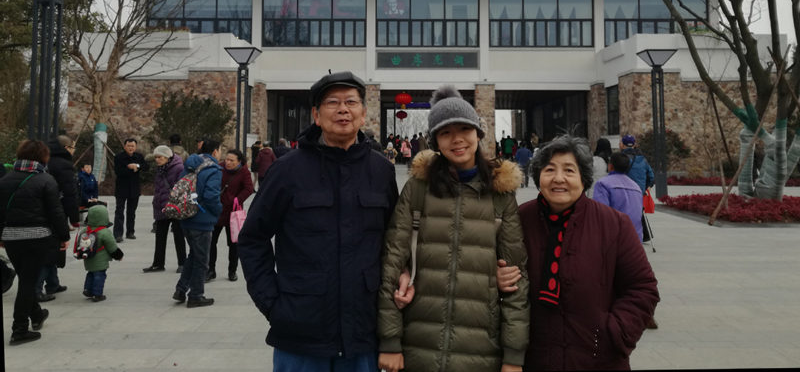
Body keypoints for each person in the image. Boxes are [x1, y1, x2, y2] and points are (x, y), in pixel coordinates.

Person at [238, 71, 398, 371]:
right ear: (316, 114)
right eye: (332, 102)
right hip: (300, 335)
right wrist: (272, 304)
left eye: (351, 101)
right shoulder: (287, 171)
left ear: (363, 114)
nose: (342, 109)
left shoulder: (381, 172)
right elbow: (252, 238)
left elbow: (395, 242)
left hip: (362, 334)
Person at [378, 86, 529, 372]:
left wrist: (513, 355)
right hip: (418, 344)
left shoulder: (500, 194)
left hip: (481, 349)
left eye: (464, 129)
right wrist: (389, 340)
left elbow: (516, 280)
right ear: (435, 140)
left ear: (478, 134)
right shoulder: (418, 189)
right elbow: (391, 263)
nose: (457, 139)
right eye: (445, 133)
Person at [499, 135, 659, 370]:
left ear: (583, 178)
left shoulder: (614, 224)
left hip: (598, 358)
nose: (559, 178)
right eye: (550, 169)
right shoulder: (519, 220)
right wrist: (496, 277)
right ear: (539, 176)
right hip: (533, 360)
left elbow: (643, 288)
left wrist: (613, 333)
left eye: (569, 170)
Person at [0, 140, 70, 345]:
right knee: (28, 282)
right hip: (37, 237)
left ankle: (37, 315)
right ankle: (19, 329)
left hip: (11, 238)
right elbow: (56, 212)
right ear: (42, 157)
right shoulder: (46, 180)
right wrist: (63, 237)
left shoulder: (5, 179)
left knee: (26, 278)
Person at [172, 140, 223, 308]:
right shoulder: (213, 170)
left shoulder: (190, 165)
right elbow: (211, 196)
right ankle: (196, 295)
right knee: (202, 260)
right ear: (215, 152)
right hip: (202, 218)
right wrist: (218, 211)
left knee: (194, 255)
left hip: (186, 216)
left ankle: (181, 289)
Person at [36, 135, 80, 302]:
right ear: (67, 148)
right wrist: (75, 217)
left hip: (42, 210)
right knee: (51, 250)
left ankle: (53, 283)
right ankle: (37, 288)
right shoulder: (64, 165)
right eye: (73, 148)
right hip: (56, 210)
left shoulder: (46, 160)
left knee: (53, 249)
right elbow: (70, 193)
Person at [207, 148, 254, 282]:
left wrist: (237, 199)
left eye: (231, 160)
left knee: (233, 244)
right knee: (211, 242)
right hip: (217, 210)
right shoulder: (219, 168)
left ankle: (232, 271)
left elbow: (248, 188)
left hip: (233, 213)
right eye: (226, 159)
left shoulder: (244, 171)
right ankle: (211, 270)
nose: (227, 162)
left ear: (239, 161)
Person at [143, 146, 186, 274]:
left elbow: (181, 187)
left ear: (167, 157)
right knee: (160, 236)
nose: (157, 159)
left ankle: (182, 263)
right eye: (156, 157)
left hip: (174, 206)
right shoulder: (160, 169)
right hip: (161, 206)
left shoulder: (179, 168)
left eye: (160, 157)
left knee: (179, 236)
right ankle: (158, 263)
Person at [593, 152, 644, 241]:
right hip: (636, 239)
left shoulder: (603, 184)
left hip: (613, 239)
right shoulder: (636, 187)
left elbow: (599, 215)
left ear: (610, 166)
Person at [80, 204, 124, 302]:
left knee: (90, 273)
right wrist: (119, 255)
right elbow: (112, 246)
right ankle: (97, 294)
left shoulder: (85, 230)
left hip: (88, 257)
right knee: (99, 275)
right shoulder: (104, 232)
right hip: (100, 260)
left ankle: (88, 289)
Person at [620, 133, 655, 243]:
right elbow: (651, 176)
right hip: (639, 192)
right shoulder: (643, 160)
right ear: (634, 145)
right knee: (638, 213)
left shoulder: (621, 159)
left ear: (623, 145)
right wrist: (645, 188)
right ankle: (643, 235)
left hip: (624, 191)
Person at [113, 138, 148, 241]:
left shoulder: (139, 156)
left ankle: (130, 232)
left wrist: (136, 165)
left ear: (135, 147)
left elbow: (146, 167)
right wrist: (131, 169)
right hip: (121, 188)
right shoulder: (119, 157)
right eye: (128, 146)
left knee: (131, 212)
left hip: (134, 189)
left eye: (132, 146)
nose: (130, 148)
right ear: (125, 146)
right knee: (119, 212)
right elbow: (118, 171)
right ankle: (118, 234)